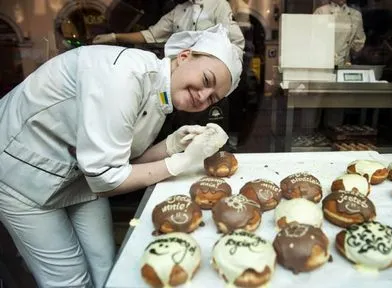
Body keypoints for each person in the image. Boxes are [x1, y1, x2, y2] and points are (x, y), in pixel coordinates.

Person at [0, 24, 241, 288]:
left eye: (212, 98)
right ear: (184, 56)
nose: (203, 97)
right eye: (207, 81)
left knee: (105, 262)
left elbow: (124, 163)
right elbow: (107, 179)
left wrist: (171, 145)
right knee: (69, 280)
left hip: (77, 174)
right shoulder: (124, 76)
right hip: (19, 174)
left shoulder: (160, 91)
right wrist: (181, 162)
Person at [92, 0, 245, 58]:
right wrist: (114, 37)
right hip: (181, 72)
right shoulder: (178, 11)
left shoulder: (218, 5)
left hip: (210, 76)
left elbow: (235, 43)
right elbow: (150, 35)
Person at [314, 0, 366, 66]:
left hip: (345, 64)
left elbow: (359, 42)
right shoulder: (321, 12)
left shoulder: (356, 15)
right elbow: (315, 39)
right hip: (323, 63)